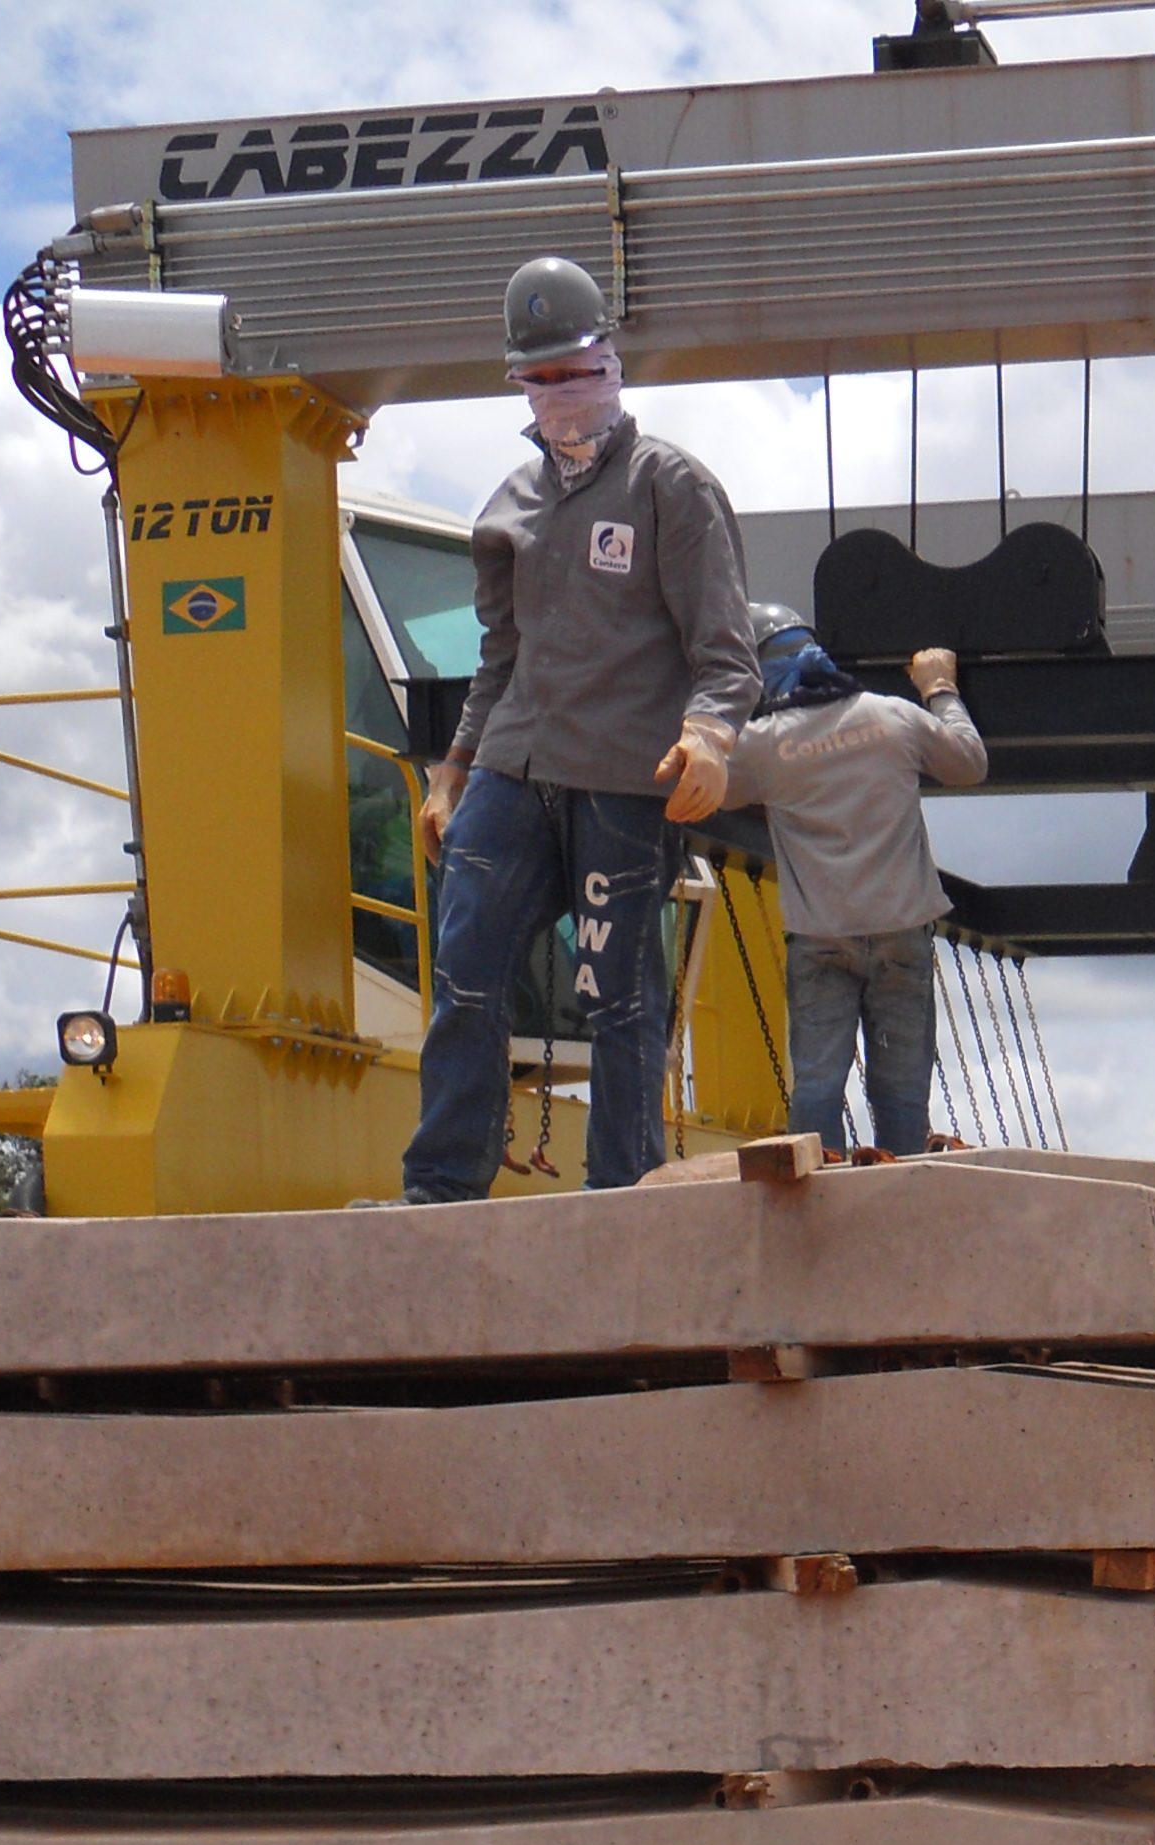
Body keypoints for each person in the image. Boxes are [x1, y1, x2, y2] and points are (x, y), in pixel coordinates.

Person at [401, 256, 757, 1201]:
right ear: (518, 379)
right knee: (466, 971)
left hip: (624, 786)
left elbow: (726, 650)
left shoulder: (670, 487)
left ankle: (622, 1205)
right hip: (515, 769)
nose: (561, 392)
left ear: (611, 361)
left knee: (619, 1001)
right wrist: (454, 768)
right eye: (541, 376)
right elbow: (499, 656)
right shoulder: (509, 505)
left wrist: (712, 738)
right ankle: (438, 1195)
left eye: (576, 370)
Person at [722, 605, 990, 1160]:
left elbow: (700, 791)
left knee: (817, 1092)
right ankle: (901, 1212)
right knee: (901, 1097)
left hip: (822, 942)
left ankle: (818, 1213)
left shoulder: (761, 746)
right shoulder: (893, 717)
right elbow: (969, 763)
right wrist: (940, 688)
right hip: (901, 935)